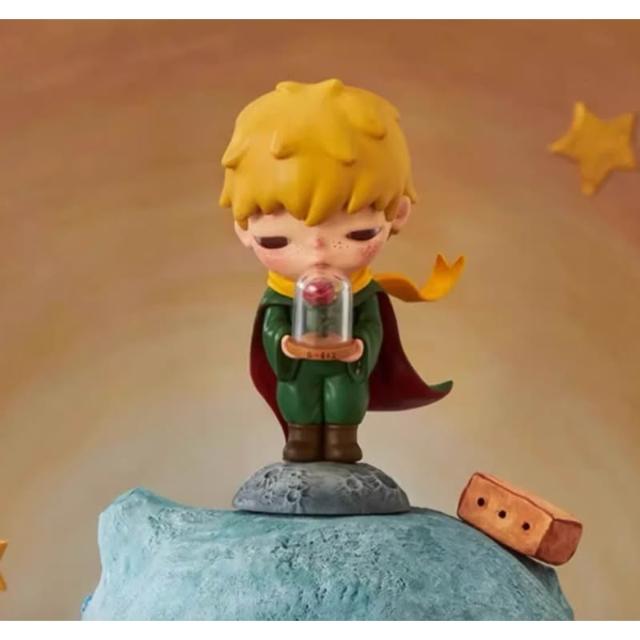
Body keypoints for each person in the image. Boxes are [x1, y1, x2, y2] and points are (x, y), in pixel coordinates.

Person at [220, 79, 464, 463]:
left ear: (398, 214)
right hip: (298, 367)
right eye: (277, 240)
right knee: (296, 396)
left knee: (345, 399)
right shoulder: (281, 296)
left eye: (358, 233)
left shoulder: (363, 293)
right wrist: (282, 341)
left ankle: (342, 439)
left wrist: (361, 345)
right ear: (243, 229)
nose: (318, 251)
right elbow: (272, 325)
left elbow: (371, 325)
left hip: (346, 365)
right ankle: (301, 438)